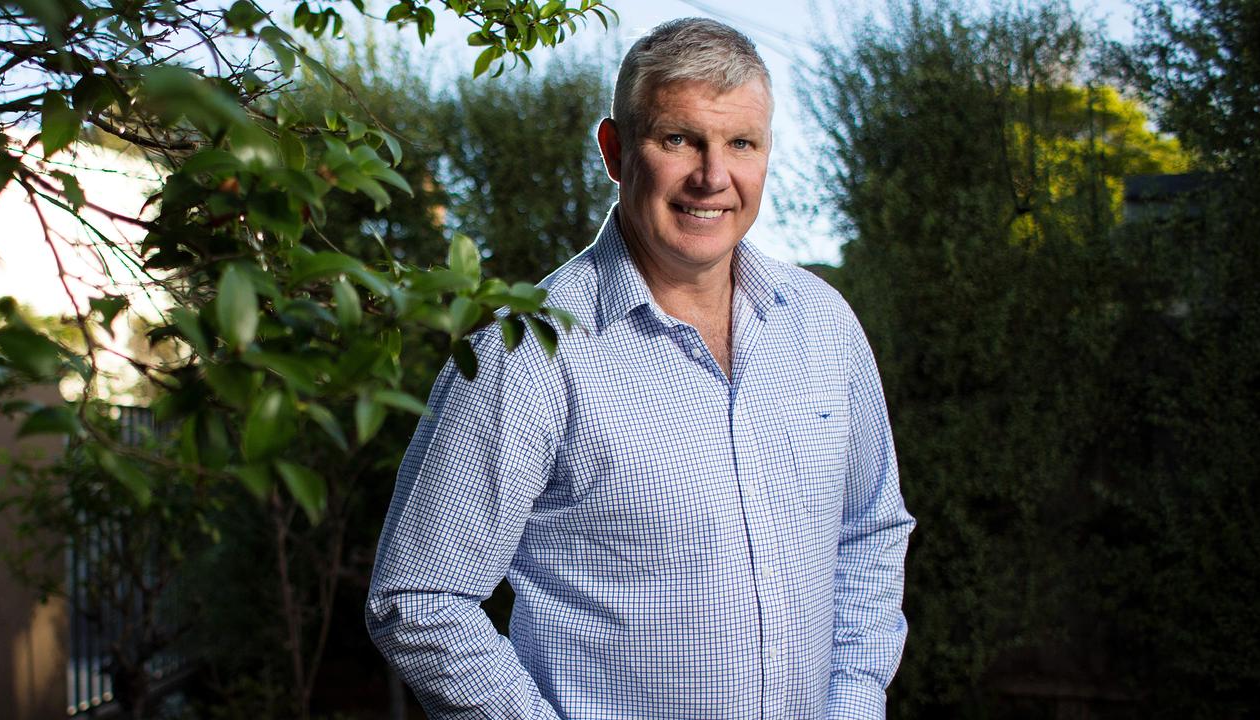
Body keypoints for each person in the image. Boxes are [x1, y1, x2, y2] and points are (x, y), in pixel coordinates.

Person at [366, 18, 914, 719]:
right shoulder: (530, 352)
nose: (714, 177)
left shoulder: (823, 324)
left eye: (741, 143)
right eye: (679, 139)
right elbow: (418, 598)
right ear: (616, 151)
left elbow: (869, 529)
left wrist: (854, 700)